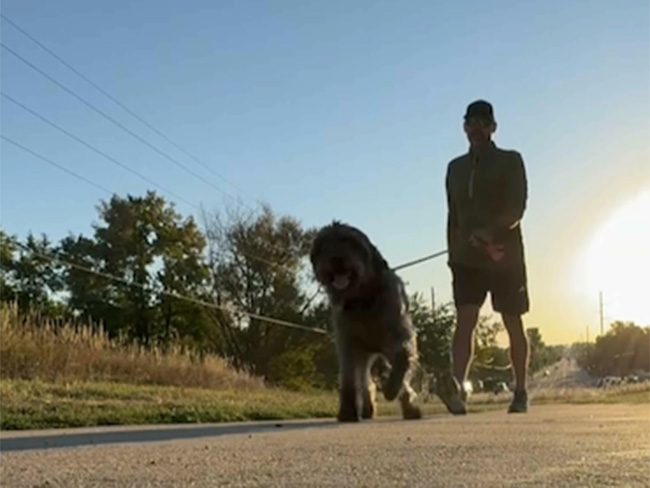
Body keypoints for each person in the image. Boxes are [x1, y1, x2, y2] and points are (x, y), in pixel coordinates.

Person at [445, 100, 530, 414]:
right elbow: (452, 215)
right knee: (464, 321)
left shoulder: (511, 161)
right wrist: (455, 252)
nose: (476, 128)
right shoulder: (454, 168)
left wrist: (491, 233)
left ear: (493, 127)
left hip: (505, 256)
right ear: (464, 127)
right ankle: (457, 392)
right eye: (470, 123)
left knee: (513, 321)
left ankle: (520, 391)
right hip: (466, 260)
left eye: (483, 122)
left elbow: (517, 206)